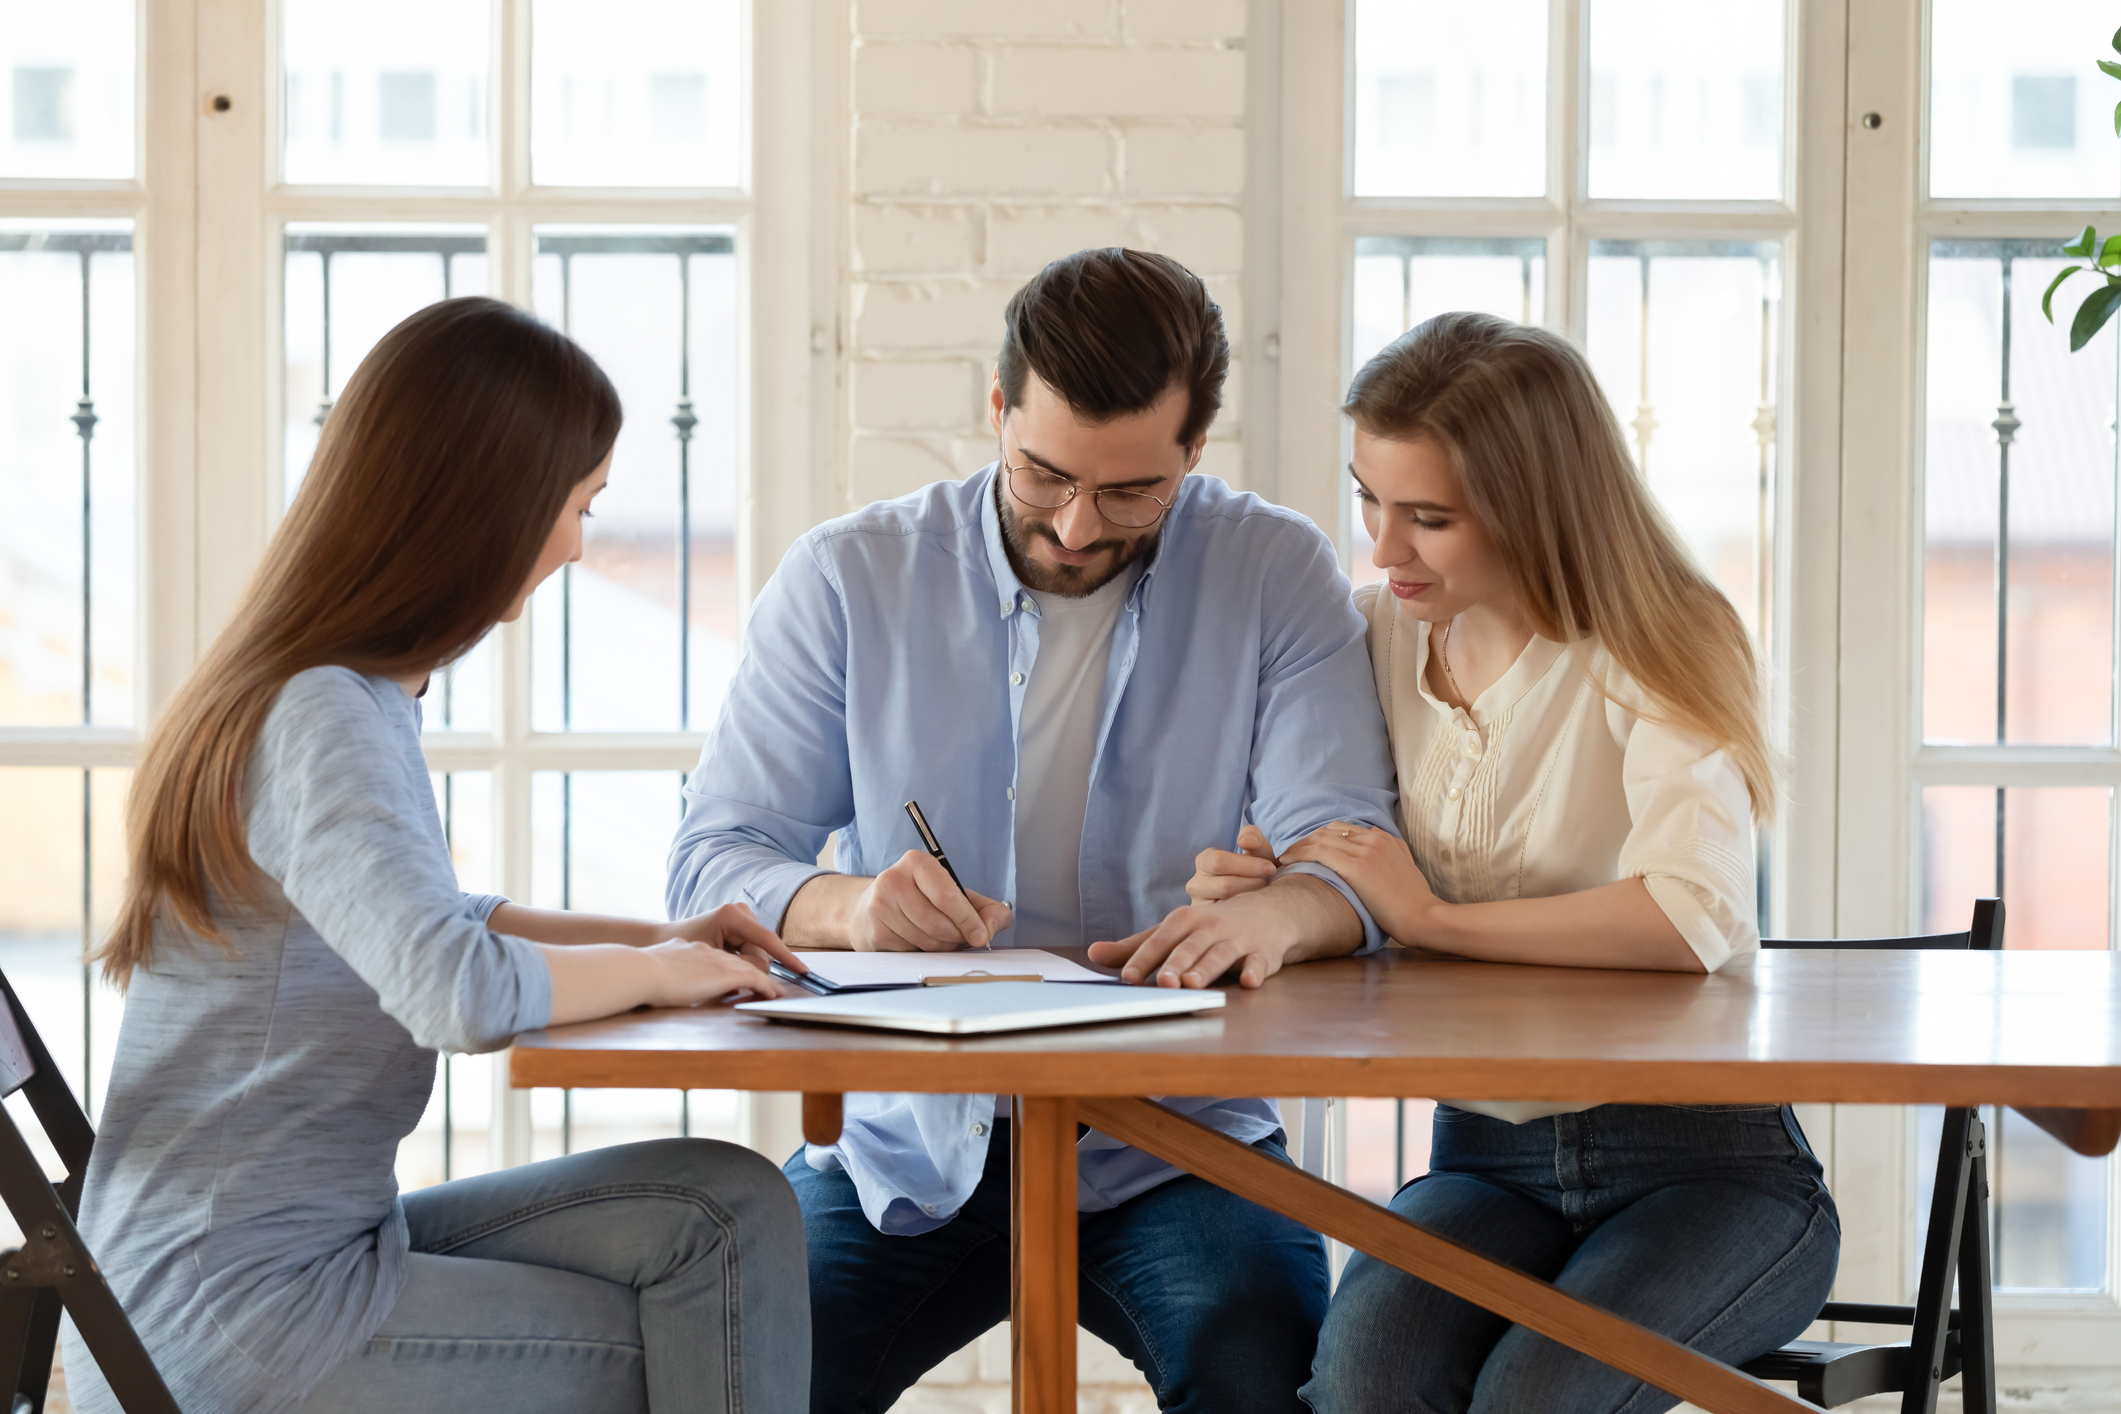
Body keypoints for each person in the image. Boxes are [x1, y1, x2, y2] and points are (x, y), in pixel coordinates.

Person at [668, 248, 1399, 1413]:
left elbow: (1352, 857)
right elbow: (713, 855)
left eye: (1129, 493)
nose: (1072, 524)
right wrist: (851, 906)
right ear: (997, 408)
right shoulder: (849, 577)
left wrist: (1281, 908)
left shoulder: (1275, 571)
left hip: (1177, 1132)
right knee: (752, 1375)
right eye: (1043, 473)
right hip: (908, 1140)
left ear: (1195, 452)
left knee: (1259, 1368)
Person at [69, 297, 811, 1414]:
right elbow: (452, 987)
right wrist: (665, 974)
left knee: (727, 1206)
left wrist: (663, 939)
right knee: (698, 1328)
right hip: (233, 1310)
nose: (576, 541)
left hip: (286, 1252)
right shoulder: (321, 712)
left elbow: (446, 917)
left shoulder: (344, 692)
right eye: (577, 505)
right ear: (487, 507)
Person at [1188, 311, 1839, 1414]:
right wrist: (1294, 891)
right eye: (1370, 502)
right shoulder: (1371, 636)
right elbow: (1345, 861)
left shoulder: (1659, 633)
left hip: (1711, 1168)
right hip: (1486, 1156)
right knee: (1361, 1382)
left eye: (1429, 518)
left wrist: (1428, 918)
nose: (1384, 550)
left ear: (1538, 505)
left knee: (1533, 1398)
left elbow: (1691, 918)